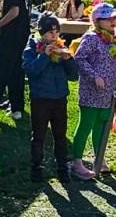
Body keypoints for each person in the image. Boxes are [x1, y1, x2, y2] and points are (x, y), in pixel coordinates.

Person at [68, 1, 116, 180]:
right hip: (91, 91)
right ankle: (77, 162)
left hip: (108, 93)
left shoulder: (114, 38)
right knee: (86, 125)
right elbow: (79, 58)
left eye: (114, 18)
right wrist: (94, 76)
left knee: (101, 125)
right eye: (108, 19)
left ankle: (99, 158)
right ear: (97, 21)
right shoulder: (91, 38)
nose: (113, 21)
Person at [23, 11, 77, 182]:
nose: (54, 36)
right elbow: (30, 70)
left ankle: (62, 167)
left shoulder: (61, 47)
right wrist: (44, 56)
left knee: (60, 135)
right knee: (38, 135)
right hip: (40, 99)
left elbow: (74, 76)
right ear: (42, 33)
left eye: (57, 32)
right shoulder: (32, 48)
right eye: (50, 32)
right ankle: (37, 167)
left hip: (59, 98)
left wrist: (68, 59)